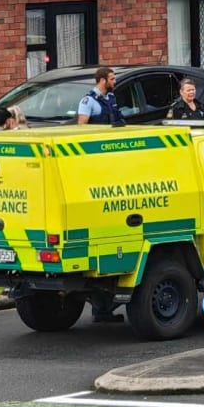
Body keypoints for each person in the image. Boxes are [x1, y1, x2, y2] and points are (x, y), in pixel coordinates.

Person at [76, 67, 125, 322]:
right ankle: (101, 310)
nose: (115, 81)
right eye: (112, 78)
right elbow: (81, 129)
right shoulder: (88, 101)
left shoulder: (110, 99)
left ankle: (103, 310)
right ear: (102, 80)